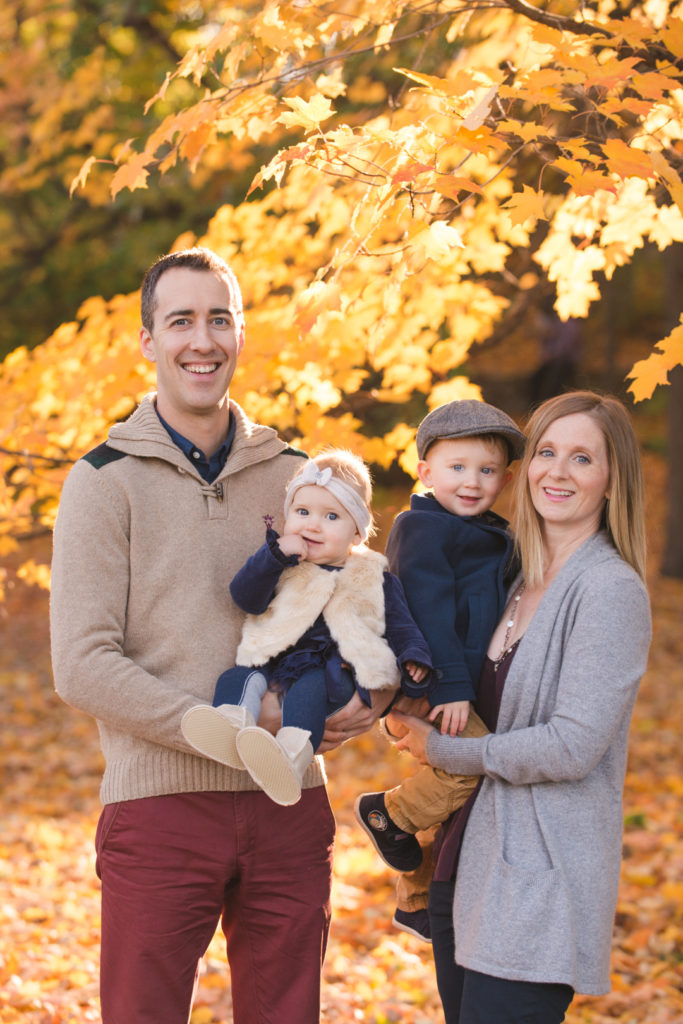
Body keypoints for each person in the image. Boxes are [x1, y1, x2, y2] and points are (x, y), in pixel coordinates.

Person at [49, 247, 386, 1024]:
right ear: (148, 341)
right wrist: (237, 731)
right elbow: (83, 665)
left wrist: (370, 693)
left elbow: (364, 597)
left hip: (289, 804)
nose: (201, 339)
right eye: (180, 322)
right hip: (160, 808)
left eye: (218, 319)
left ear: (240, 333)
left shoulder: (301, 475)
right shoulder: (103, 482)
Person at [387, 391, 651, 1024]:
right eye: (548, 452)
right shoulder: (510, 575)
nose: (558, 472)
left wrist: (441, 749)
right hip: (467, 862)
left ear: (613, 482)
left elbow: (570, 746)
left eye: (583, 458)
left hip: (541, 881)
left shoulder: (610, 590)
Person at [354, 400, 525, 943]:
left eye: (487, 470)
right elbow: (427, 611)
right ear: (425, 471)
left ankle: (418, 899)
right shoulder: (422, 528)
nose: (472, 482)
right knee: (467, 767)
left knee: (454, 791)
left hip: (457, 687)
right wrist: (449, 686)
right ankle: (389, 814)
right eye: (457, 467)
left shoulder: (487, 533)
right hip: (431, 683)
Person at [181, 447, 433, 807]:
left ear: (357, 533)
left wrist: (413, 658)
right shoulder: (282, 564)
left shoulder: (373, 577)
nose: (312, 524)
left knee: (308, 690)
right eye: (302, 512)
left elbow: (402, 626)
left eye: (331, 516)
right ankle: (231, 725)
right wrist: (272, 557)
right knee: (239, 676)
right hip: (275, 659)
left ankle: (289, 759)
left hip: (332, 669)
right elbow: (246, 597)